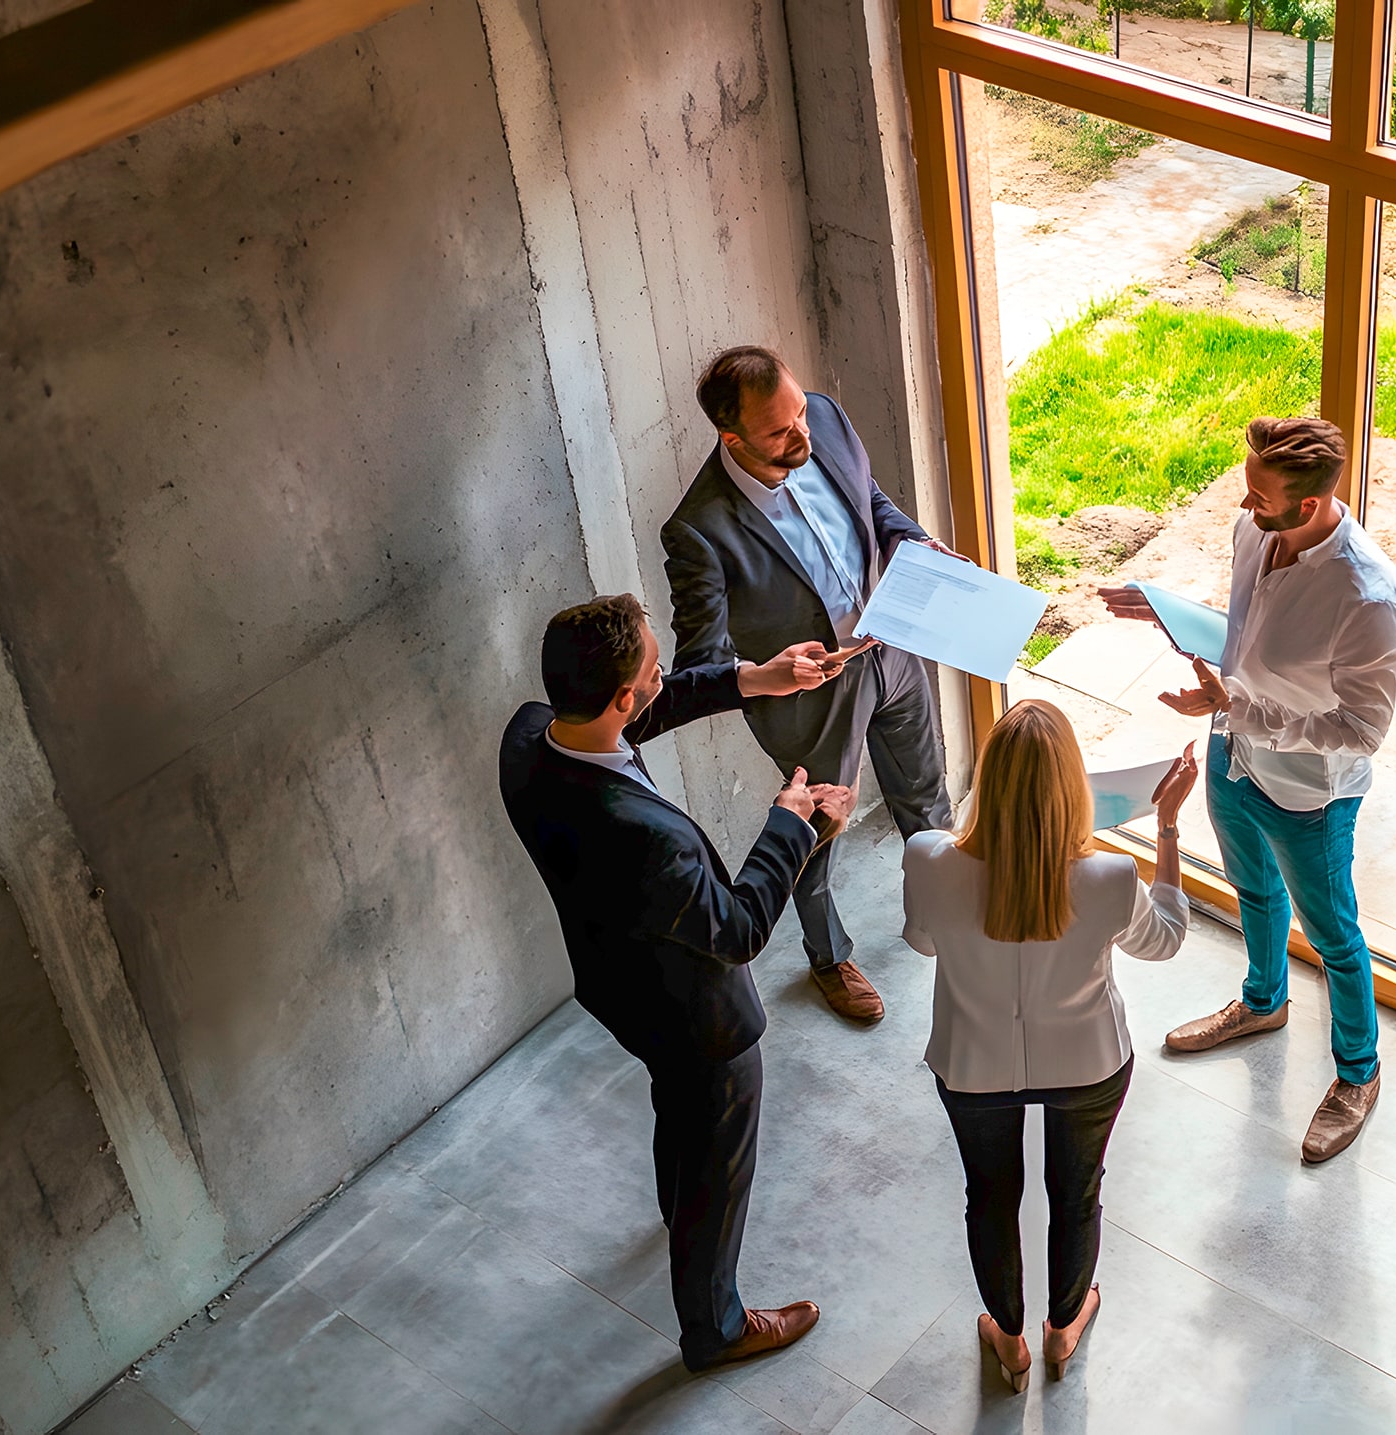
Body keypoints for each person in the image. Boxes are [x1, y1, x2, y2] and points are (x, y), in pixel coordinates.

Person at [498, 593, 857, 1372]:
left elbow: (637, 715)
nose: (664, 679)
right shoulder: (646, 839)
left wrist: (753, 678)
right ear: (621, 697)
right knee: (719, 1164)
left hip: (619, 986)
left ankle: (676, 1205)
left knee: (679, 1104)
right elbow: (740, 928)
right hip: (702, 1021)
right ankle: (715, 1325)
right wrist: (793, 824)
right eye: (655, 671)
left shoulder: (531, 736)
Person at [1099, 416, 1396, 1165]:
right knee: (1255, 893)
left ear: (1309, 505)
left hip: (1309, 794)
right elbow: (1253, 631)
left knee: (1334, 938)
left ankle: (1358, 1075)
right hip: (1232, 755)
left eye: (1260, 496)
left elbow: (1363, 728)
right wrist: (1172, 611)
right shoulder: (1255, 529)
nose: (1244, 505)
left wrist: (1242, 710)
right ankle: (1263, 1003)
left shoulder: (1366, 599)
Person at [901, 702, 1198, 1390]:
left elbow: (922, 942)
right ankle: (1063, 1328)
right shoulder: (1110, 877)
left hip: (972, 1065)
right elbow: (1166, 939)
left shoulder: (927, 857)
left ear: (989, 779)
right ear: (1073, 785)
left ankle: (1009, 1340)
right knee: (1077, 1194)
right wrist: (1168, 826)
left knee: (989, 1197)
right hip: (1088, 1064)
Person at [663, 345, 956, 1025]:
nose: (803, 433)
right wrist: (771, 675)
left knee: (926, 792)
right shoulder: (698, 530)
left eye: (799, 411)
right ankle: (828, 957)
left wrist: (910, 540)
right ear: (732, 438)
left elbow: (868, 498)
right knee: (815, 835)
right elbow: (700, 664)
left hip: (891, 647)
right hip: (808, 701)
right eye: (780, 429)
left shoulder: (822, 416)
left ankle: (949, 908)